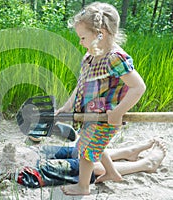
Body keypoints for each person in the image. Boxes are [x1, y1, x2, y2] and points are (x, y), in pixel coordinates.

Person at [0, 104, 166, 199]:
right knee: (89, 167)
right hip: (28, 170)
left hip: (30, 155)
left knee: (78, 149)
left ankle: (127, 150)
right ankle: (145, 165)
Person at [55, 2, 147, 196]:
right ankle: (112, 173)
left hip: (106, 116)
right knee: (92, 144)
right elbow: (80, 85)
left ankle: (83, 187)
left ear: (100, 34)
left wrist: (118, 112)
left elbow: (138, 87)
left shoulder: (114, 58)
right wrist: (67, 106)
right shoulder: (90, 56)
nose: (80, 42)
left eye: (82, 37)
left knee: (86, 150)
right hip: (90, 114)